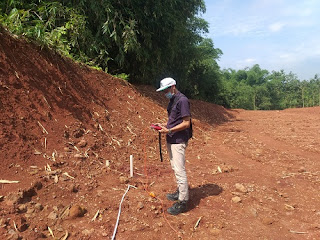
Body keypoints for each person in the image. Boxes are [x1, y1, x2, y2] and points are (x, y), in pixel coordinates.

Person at [155, 77, 192, 215]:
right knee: (175, 167)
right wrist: (164, 125)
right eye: (163, 91)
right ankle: (180, 191)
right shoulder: (173, 100)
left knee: (179, 170)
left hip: (178, 140)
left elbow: (186, 123)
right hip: (171, 138)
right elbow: (174, 120)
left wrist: (169, 130)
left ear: (173, 87)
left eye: (166, 90)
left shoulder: (183, 100)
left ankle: (183, 201)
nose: (164, 93)